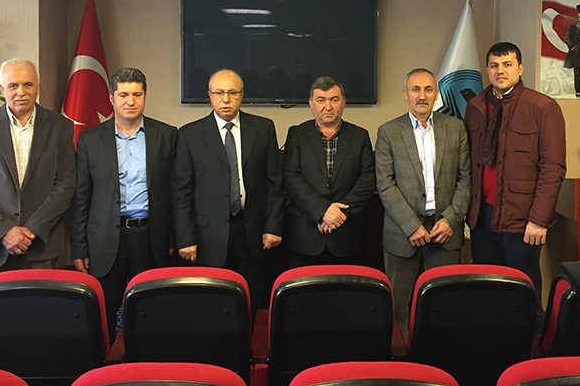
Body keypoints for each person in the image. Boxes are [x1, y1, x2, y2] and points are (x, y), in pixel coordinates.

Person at [70, 67, 178, 340]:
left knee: (151, 310)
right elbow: (82, 197)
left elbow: (176, 192)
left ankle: (148, 362)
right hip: (106, 239)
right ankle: (103, 362)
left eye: (137, 94)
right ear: (111, 98)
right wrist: (79, 246)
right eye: (123, 95)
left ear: (145, 96)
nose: (131, 101)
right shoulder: (90, 140)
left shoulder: (166, 135)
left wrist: (175, 238)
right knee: (102, 312)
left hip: (150, 236)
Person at [464, 42, 566, 324]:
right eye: (494, 65)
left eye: (507, 64)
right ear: (487, 70)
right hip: (481, 217)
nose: (501, 71)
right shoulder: (474, 107)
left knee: (523, 292)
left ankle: (531, 346)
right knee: (487, 290)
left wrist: (539, 220)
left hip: (523, 219)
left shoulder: (542, 107)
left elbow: (553, 168)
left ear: (520, 69)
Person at [173, 68, 285, 311]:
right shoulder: (189, 134)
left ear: (242, 95)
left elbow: (275, 183)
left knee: (253, 303)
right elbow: (182, 192)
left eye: (232, 92)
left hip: (253, 233)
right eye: (219, 93)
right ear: (209, 95)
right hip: (208, 236)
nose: (226, 99)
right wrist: (185, 238)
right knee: (212, 305)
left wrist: (273, 226)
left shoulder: (263, 128)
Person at [0, 59, 75, 286]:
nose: (21, 92)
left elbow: (66, 183)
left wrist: (31, 230)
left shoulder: (60, 127)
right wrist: (4, 231)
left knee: (42, 307)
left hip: (40, 245)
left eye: (28, 84)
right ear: (2, 89)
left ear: (38, 87)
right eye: (13, 85)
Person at [375, 68, 471, 336]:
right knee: (398, 306)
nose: (422, 96)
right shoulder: (388, 132)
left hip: (445, 233)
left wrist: (451, 219)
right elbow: (385, 184)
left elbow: (465, 180)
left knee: (446, 304)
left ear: (436, 94)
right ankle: (404, 358)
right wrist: (411, 225)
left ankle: (439, 356)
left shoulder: (456, 128)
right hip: (402, 234)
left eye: (428, 89)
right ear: (405, 94)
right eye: (415, 89)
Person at [282, 76, 376, 267]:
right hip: (306, 236)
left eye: (334, 99)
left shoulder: (360, 136)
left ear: (343, 102)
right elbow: (291, 178)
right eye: (321, 100)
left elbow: (367, 180)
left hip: (347, 235)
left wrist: (339, 214)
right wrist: (323, 210)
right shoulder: (297, 134)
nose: (328, 106)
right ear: (311, 104)